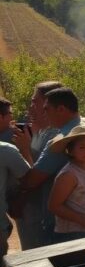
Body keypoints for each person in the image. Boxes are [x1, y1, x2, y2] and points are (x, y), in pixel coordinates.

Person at [11, 87, 84, 247]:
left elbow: (31, 180)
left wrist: (24, 149)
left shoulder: (60, 141)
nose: (44, 114)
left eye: (47, 109)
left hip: (63, 223)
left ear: (61, 109)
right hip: (84, 213)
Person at [0, 98, 31, 258]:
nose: (12, 119)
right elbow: (29, 178)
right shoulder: (6, 150)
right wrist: (26, 148)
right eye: (10, 115)